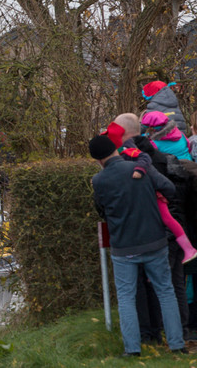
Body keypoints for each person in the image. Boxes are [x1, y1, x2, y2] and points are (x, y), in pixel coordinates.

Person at [89, 134, 187, 356]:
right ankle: (177, 345)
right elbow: (169, 189)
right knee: (165, 291)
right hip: (155, 241)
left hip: (123, 246)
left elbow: (101, 210)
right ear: (115, 149)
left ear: (98, 160)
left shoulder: (99, 180)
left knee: (126, 297)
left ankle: (132, 349)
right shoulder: (141, 167)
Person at [114, 113, 192, 345]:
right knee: (174, 285)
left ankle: (152, 335)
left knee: (151, 287)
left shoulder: (133, 159)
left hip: (153, 231)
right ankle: (180, 335)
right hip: (174, 226)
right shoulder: (163, 155)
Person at [103, 121, 197, 263]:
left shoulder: (128, 150)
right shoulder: (127, 151)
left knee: (167, 218)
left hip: (155, 193)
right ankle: (186, 248)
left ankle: (188, 248)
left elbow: (143, 159)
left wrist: (140, 170)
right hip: (152, 193)